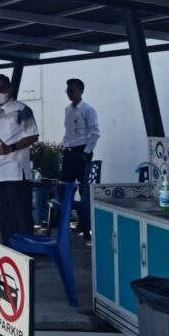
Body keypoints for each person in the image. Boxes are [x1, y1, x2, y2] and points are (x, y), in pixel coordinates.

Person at [0, 74, 39, 246]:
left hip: (16, 173)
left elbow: (33, 135)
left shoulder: (22, 110)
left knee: (21, 216)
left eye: (1, 88)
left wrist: (11, 148)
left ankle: (27, 253)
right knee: (4, 218)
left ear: (10, 89)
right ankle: (10, 252)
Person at [61, 78, 100, 240]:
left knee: (84, 190)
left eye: (73, 90)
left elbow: (95, 132)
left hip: (82, 152)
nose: (70, 93)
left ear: (80, 91)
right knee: (65, 188)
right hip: (69, 151)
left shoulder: (88, 109)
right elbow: (68, 131)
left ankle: (86, 226)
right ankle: (69, 222)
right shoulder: (67, 109)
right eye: (68, 90)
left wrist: (86, 152)